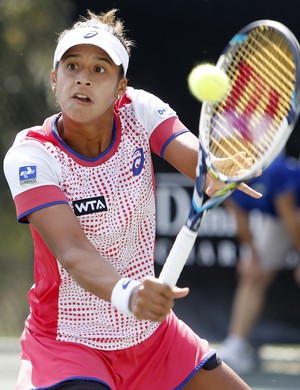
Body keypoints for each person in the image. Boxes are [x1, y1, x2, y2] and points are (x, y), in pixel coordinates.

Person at [3, 9, 260, 390]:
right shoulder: (31, 156)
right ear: (55, 80)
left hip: (152, 337)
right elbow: (73, 252)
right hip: (70, 344)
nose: (83, 79)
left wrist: (217, 168)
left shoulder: (138, 110)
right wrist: (130, 293)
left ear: (120, 88)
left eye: (100, 70)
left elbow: (195, 159)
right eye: (72, 66)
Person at [220, 155, 300, 375]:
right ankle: (235, 345)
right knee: (252, 275)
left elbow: (292, 219)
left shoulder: (275, 171)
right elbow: (241, 222)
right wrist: (252, 256)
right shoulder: (224, 177)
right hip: (281, 220)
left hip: (293, 213)